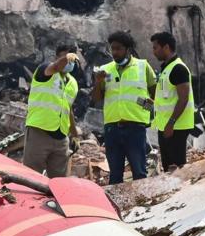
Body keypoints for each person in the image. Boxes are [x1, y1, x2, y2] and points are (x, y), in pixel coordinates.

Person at [92, 31, 156, 184]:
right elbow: (96, 99)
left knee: (139, 172)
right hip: (112, 128)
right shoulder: (105, 69)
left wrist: (148, 106)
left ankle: (141, 199)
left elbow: (155, 93)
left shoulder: (142, 66)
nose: (114, 52)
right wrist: (98, 82)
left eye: (118, 48)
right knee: (115, 175)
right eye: (112, 48)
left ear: (128, 49)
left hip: (135, 127)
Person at [22, 44, 80, 177]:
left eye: (71, 60)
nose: (67, 62)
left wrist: (75, 135)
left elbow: (68, 109)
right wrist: (66, 58)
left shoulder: (73, 83)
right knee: (31, 175)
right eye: (64, 58)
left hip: (61, 138)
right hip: (39, 133)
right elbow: (55, 67)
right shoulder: (45, 71)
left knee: (59, 181)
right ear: (56, 58)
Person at [150, 32, 195, 171]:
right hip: (165, 127)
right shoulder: (166, 69)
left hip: (176, 127)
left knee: (177, 169)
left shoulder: (178, 68)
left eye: (155, 47)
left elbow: (183, 99)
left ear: (166, 47)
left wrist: (171, 123)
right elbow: (167, 99)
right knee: (168, 168)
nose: (153, 52)